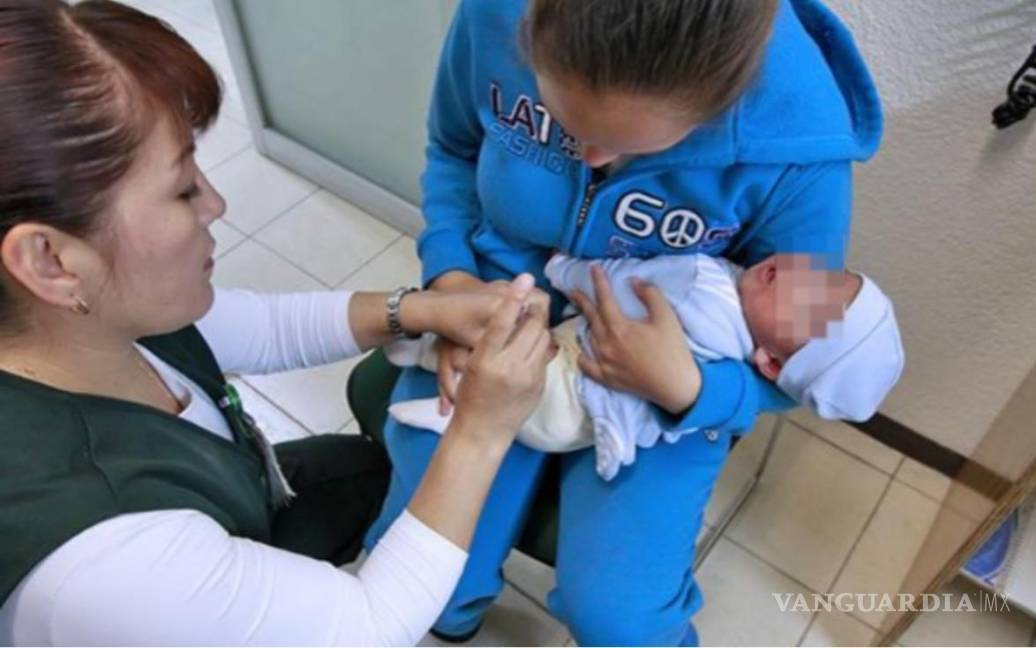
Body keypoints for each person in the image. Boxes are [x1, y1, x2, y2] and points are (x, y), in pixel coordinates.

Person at [0, 1, 554, 645]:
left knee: (367, 471)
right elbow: (369, 626)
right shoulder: (110, 567)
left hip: (242, 499)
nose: (216, 203)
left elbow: (256, 328)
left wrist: (421, 308)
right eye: (182, 189)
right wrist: (481, 430)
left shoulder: (83, 317)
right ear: (50, 260)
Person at [362, 0, 884, 644]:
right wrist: (451, 284)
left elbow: (803, 357)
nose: (588, 157)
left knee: (619, 622)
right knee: (428, 587)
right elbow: (453, 150)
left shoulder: (801, 149)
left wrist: (691, 390)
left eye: (628, 146)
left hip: (666, 384)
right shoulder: (492, 15)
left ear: (720, 106)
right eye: (558, 118)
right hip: (489, 316)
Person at [388, 252, 905, 480]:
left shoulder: (704, 282)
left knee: (512, 357)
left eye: (808, 308)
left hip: (565, 390)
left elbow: (613, 279)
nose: (795, 276)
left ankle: (447, 395)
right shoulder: (738, 345)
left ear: (770, 363)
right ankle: (434, 357)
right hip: (588, 421)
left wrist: (562, 267)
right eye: (824, 276)